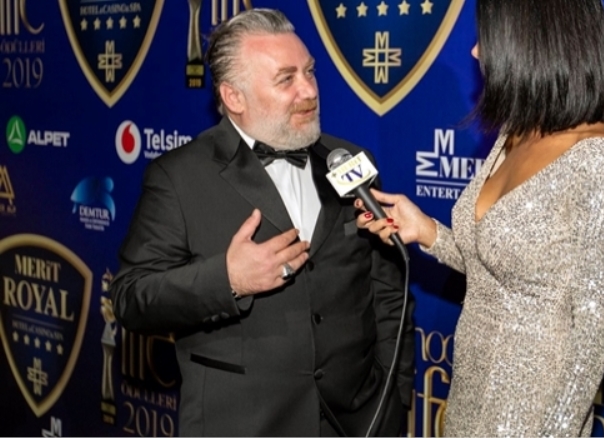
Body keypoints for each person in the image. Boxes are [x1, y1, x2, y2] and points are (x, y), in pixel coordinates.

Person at [110, 8, 413, 437]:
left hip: (357, 422)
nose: (309, 90)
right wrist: (228, 280)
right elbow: (131, 297)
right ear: (234, 97)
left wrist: (395, 399)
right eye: (286, 79)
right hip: (244, 425)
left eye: (309, 72)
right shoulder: (178, 177)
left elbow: (387, 291)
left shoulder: (350, 162)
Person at [355, 0, 604, 436]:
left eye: (487, 38)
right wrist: (426, 231)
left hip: (534, 416)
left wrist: (555, 432)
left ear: (533, 42)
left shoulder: (601, 162)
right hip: (468, 399)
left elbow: (594, 333)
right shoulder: (515, 131)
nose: (475, 52)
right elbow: (499, 270)